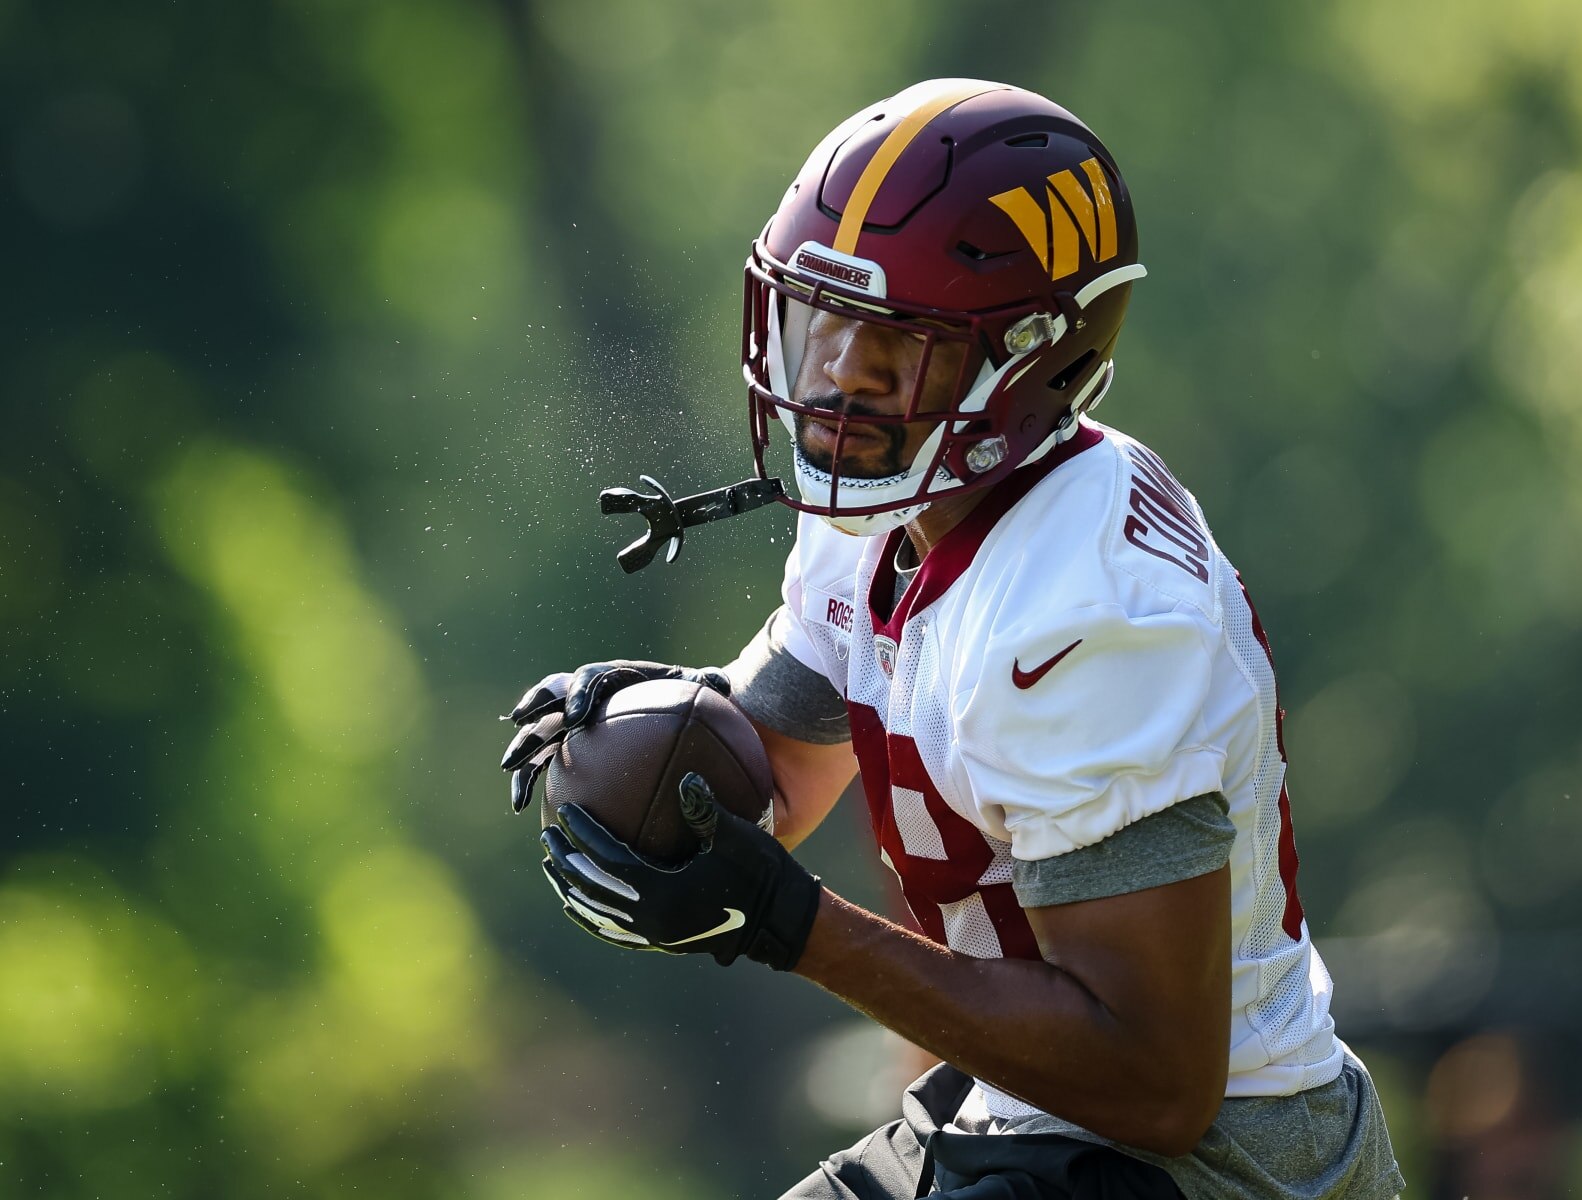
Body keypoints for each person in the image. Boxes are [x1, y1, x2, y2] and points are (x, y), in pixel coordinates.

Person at [502, 78, 1406, 1200]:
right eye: (826, 324)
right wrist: (654, 760)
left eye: (898, 347)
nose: (836, 379)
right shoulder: (887, 506)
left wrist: (794, 924)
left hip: (1213, 1161)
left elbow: (1154, 1083)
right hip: (1029, 1110)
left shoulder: (1090, 614)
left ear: (1031, 361)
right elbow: (774, 774)